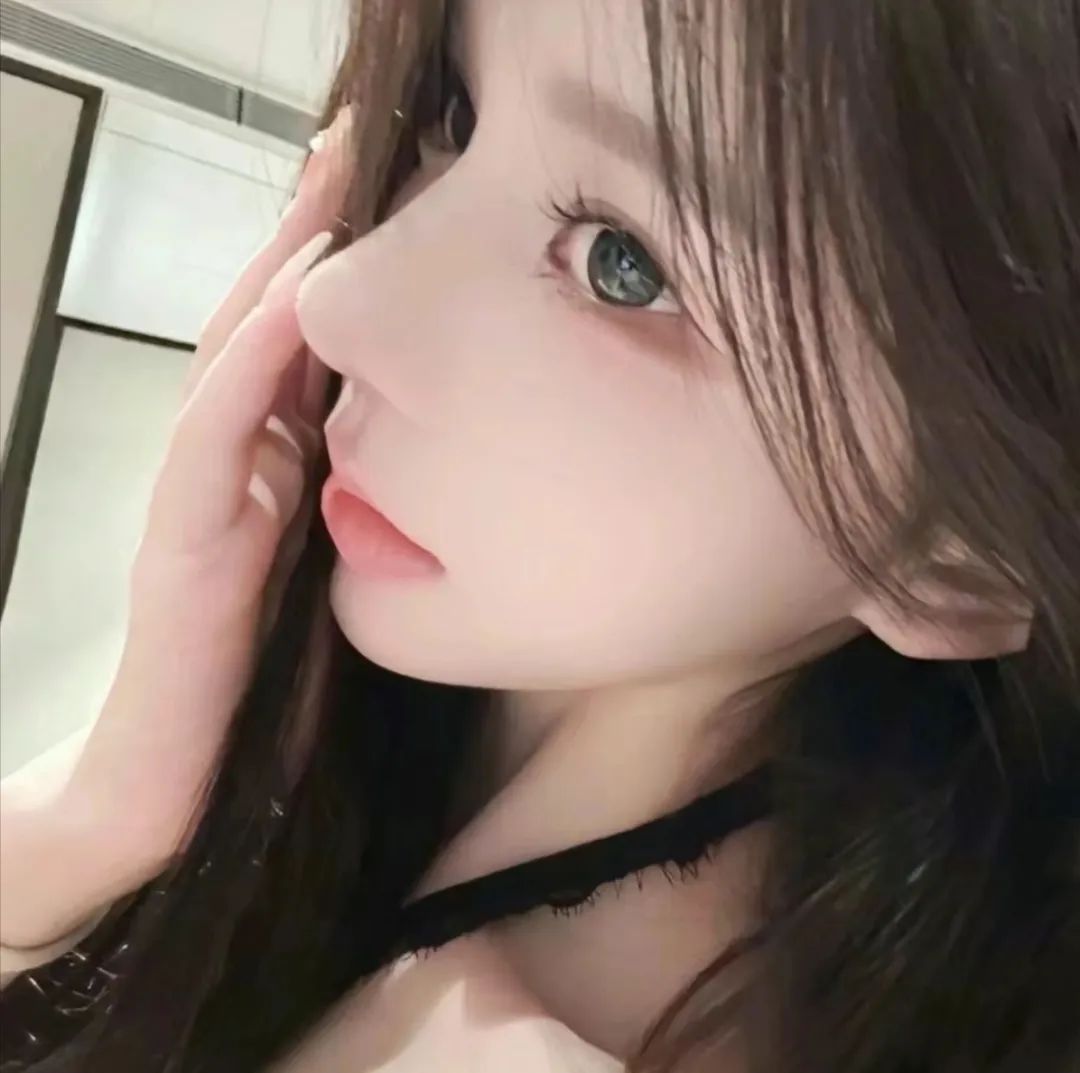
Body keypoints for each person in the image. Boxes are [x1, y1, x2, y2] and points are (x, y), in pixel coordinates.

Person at [0, 0, 1077, 1070]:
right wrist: (107, 801)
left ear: (961, 560)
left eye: (623, 263)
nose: (343, 299)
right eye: (455, 117)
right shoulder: (391, 766)